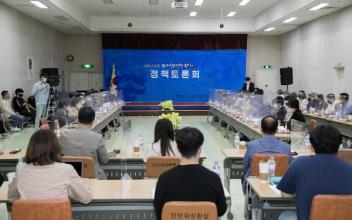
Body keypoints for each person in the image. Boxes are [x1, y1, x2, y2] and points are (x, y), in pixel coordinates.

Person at [277, 125, 352, 220]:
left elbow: (285, 195)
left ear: (312, 146)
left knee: (285, 215)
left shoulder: (300, 163)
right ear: (339, 145)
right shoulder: (350, 169)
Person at [154, 127, 227, 220]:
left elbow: (159, 213)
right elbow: (221, 210)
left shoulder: (164, 178)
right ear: (200, 150)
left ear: (178, 148)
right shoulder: (213, 178)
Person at [7, 129, 92, 204]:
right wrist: (68, 192)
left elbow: (11, 198)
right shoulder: (66, 169)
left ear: (31, 147)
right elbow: (86, 198)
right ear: (56, 148)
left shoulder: (21, 168)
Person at [58, 106, 109, 179]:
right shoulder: (97, 138)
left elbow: (58, 155)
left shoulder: (64, 135)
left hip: (70, 177)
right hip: (93, 178)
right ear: (92, 120)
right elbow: (105, 160)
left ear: (78, 118)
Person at [242, 116, 291, 192]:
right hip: (278, 187)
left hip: (255, 188)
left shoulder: (251, 145)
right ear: (277, 130)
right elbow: (288, 168)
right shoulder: (286, 147)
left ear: (261, 129)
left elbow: (245, 168)